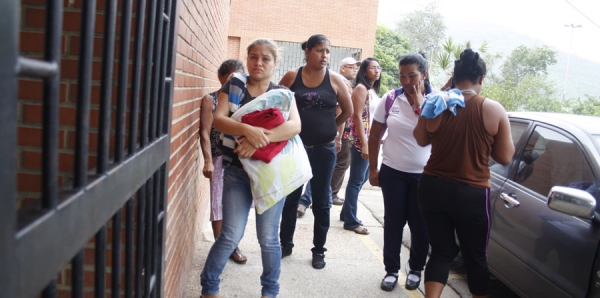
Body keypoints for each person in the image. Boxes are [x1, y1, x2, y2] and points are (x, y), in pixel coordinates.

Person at [200, 38, 301, 298]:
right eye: (254, 56)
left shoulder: (283, 94)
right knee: (230, 234)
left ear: (274, 63)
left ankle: (270, 292)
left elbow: (294, 127)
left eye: (265, 58)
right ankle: (209, 288)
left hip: (270, 174)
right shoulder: (234, 84)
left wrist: (256, 143)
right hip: (236, 172)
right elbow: (220, 121)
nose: (258, 62)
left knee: (268, 239)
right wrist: (247, 130)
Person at [413, 49, 514, 298]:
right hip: (470, 193)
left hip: (432, 187)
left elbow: (420, 139)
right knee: (475, 256)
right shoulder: (492, 109)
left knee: (441, 251)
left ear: (454, 77)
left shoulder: (436, 104)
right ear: (481, 78)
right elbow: (505, 157)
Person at [278, 34, 353, 269]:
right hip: (295, 149)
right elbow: (276, 105)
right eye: (320, 50)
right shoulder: (292, 76)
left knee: (322, 201)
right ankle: (285, 244)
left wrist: (332, 129)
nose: (325, 55)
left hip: (324, 150)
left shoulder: (336, 80)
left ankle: (319, 250)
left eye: (328, 51)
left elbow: (348, 110)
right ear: (307, 51)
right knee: (291, 199)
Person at [367, 52, 433, 292]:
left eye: (412, 75)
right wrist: (373, 169)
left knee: (420, 224)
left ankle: (415, 269)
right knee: (393, 223)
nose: (406, 81)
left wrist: (419, 106)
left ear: (424, 74)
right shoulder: (391, 98)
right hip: (393, 171)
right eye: (402, 75)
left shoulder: (437, 101)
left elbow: (437, 137)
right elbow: (375, 135)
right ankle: (391, 270)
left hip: (424, 175)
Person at [296, 56, 359, 216]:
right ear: (343, 68)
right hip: (325, 138)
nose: (355, 70)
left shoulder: (344, 83)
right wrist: (335, 134)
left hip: (332, 136)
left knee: (327, 171)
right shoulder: (337, 82)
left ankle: (320, 200)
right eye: (351, 67)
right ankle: (308, 201)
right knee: (318, 173)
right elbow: (342, 112)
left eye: (356, 67)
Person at [199, 59, 248, 265]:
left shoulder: (245, 100)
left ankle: (231, 244)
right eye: (231, 77)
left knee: (237, 205)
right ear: (221, 78)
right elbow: (204, 132)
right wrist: (208, 161)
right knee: (218, 204)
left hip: (241, 159)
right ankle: (224, 248)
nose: (235, 81)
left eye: (239, 76)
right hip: (220, 157)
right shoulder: (212, 100)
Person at [340, 57, 381, 235]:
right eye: (373, 68)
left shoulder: (370, 90)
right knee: (357, 180)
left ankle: (346, 212)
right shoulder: (361, 88)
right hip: (360, 140)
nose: (377, 71)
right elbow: (357, 116)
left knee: (362, 178)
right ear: (364, 71)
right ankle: (350, 221)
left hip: (370, 140)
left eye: (379, 68)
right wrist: (364, 144)